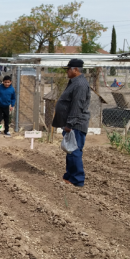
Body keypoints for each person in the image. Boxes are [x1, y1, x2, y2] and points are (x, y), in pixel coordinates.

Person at [52, 59, 91, 187]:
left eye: (68, 69)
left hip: (76, 124)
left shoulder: (80, 84)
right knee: (70, 150)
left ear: (75, 69)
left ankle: (77, 180)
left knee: (74, 151)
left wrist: (70, 124)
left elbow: (77, 106)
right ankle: (69, 176)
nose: (67, 72)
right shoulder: (75, 82)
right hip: (71, 123)